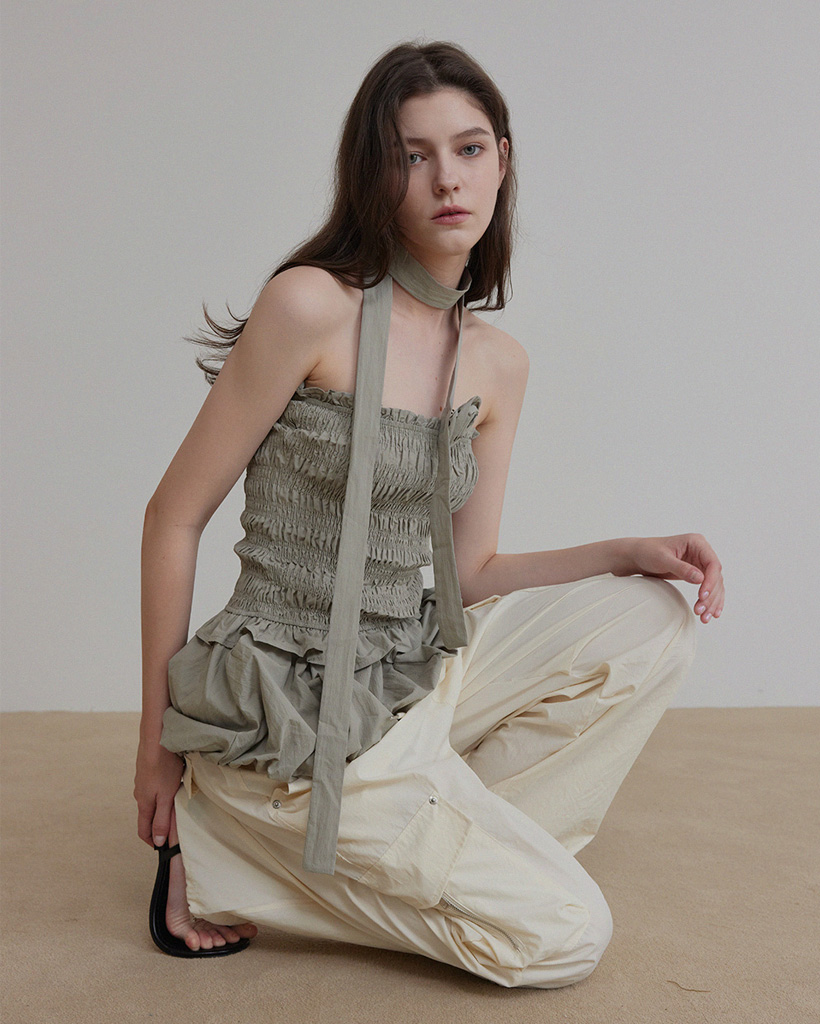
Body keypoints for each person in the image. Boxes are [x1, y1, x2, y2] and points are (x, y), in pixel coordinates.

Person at [134, 39, 724, 988]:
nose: (448, 178)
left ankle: (338, 846)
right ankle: (222, 844)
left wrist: (627, 550)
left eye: (470, 148)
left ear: (502, 161)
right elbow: (173, 517)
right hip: (289, 703)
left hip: (408, 669)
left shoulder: (497, 363)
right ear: (376, 174)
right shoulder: (311, 306)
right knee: (570, 936)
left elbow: (473, 573)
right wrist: (156, 745)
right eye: (413, 155)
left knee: (654, 618)